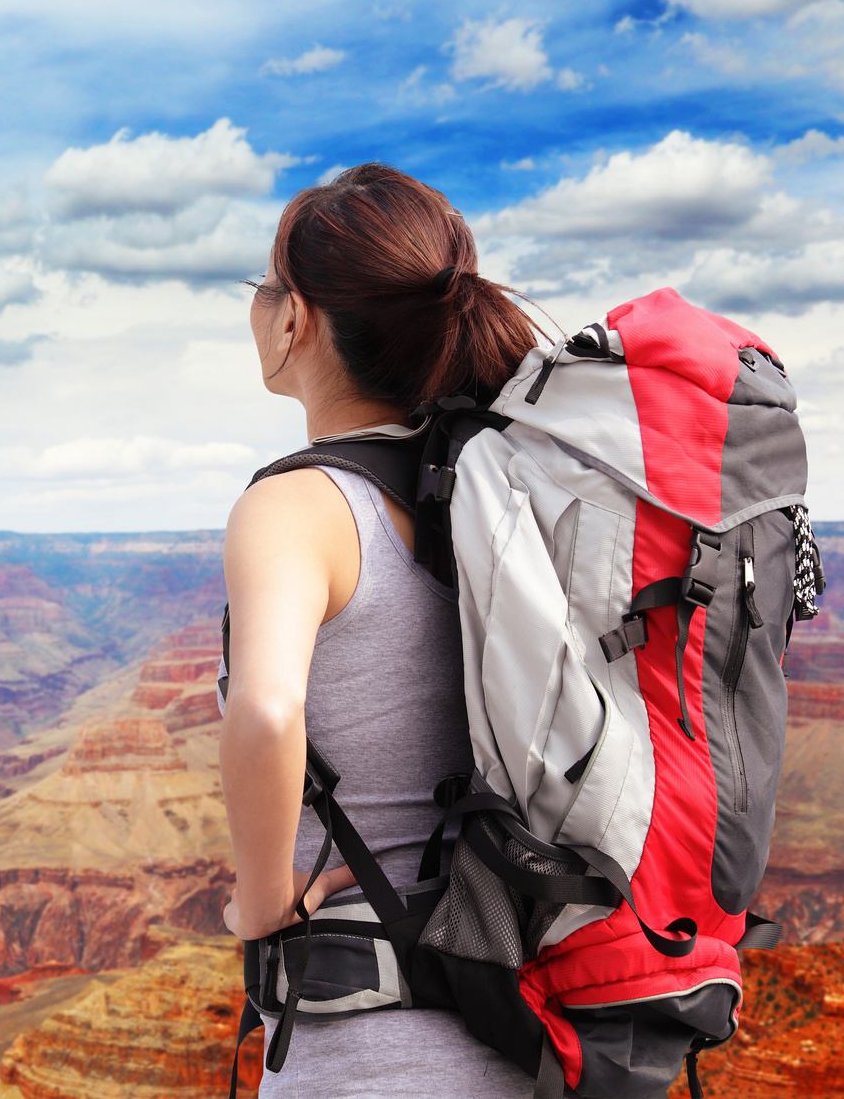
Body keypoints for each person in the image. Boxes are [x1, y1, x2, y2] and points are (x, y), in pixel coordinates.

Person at [218, 163, 541, 1098]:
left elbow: (269, 713)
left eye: (265, 285)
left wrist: (265, 899)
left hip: (368, 1060)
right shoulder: (500, 490)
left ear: (296, 317)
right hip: (518, 1037)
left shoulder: (298, 504)